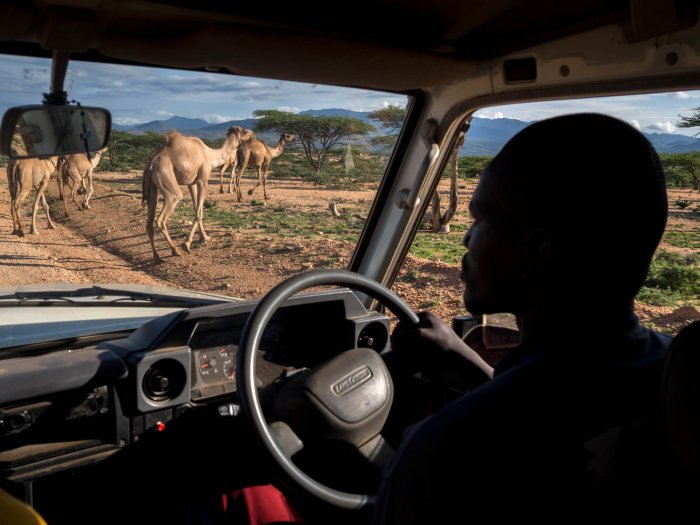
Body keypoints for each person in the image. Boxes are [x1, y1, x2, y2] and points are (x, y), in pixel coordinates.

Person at [373, 113, 671, 522]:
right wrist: (461, 354)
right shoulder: (675, 373)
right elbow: (560, 400)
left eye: (479, 220)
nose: (466, 238)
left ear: (537, 252)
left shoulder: (445, 455)